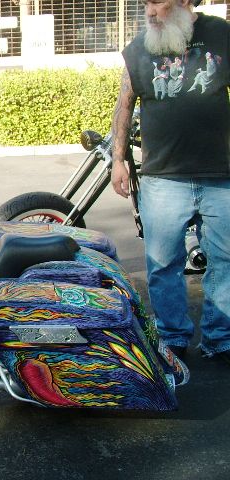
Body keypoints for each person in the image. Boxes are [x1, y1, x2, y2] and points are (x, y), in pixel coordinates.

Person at [110, 0, 230, 364]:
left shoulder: (221, 35)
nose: (149, 10)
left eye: (158, 2)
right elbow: (125, 102)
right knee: (163, 264)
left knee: (225, 262)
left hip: (220, 175)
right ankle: (172, 337)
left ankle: (220, 337)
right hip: (163, 178)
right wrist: (118, 160)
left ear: (183, 3)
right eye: (145, 3)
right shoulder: (138, 49)